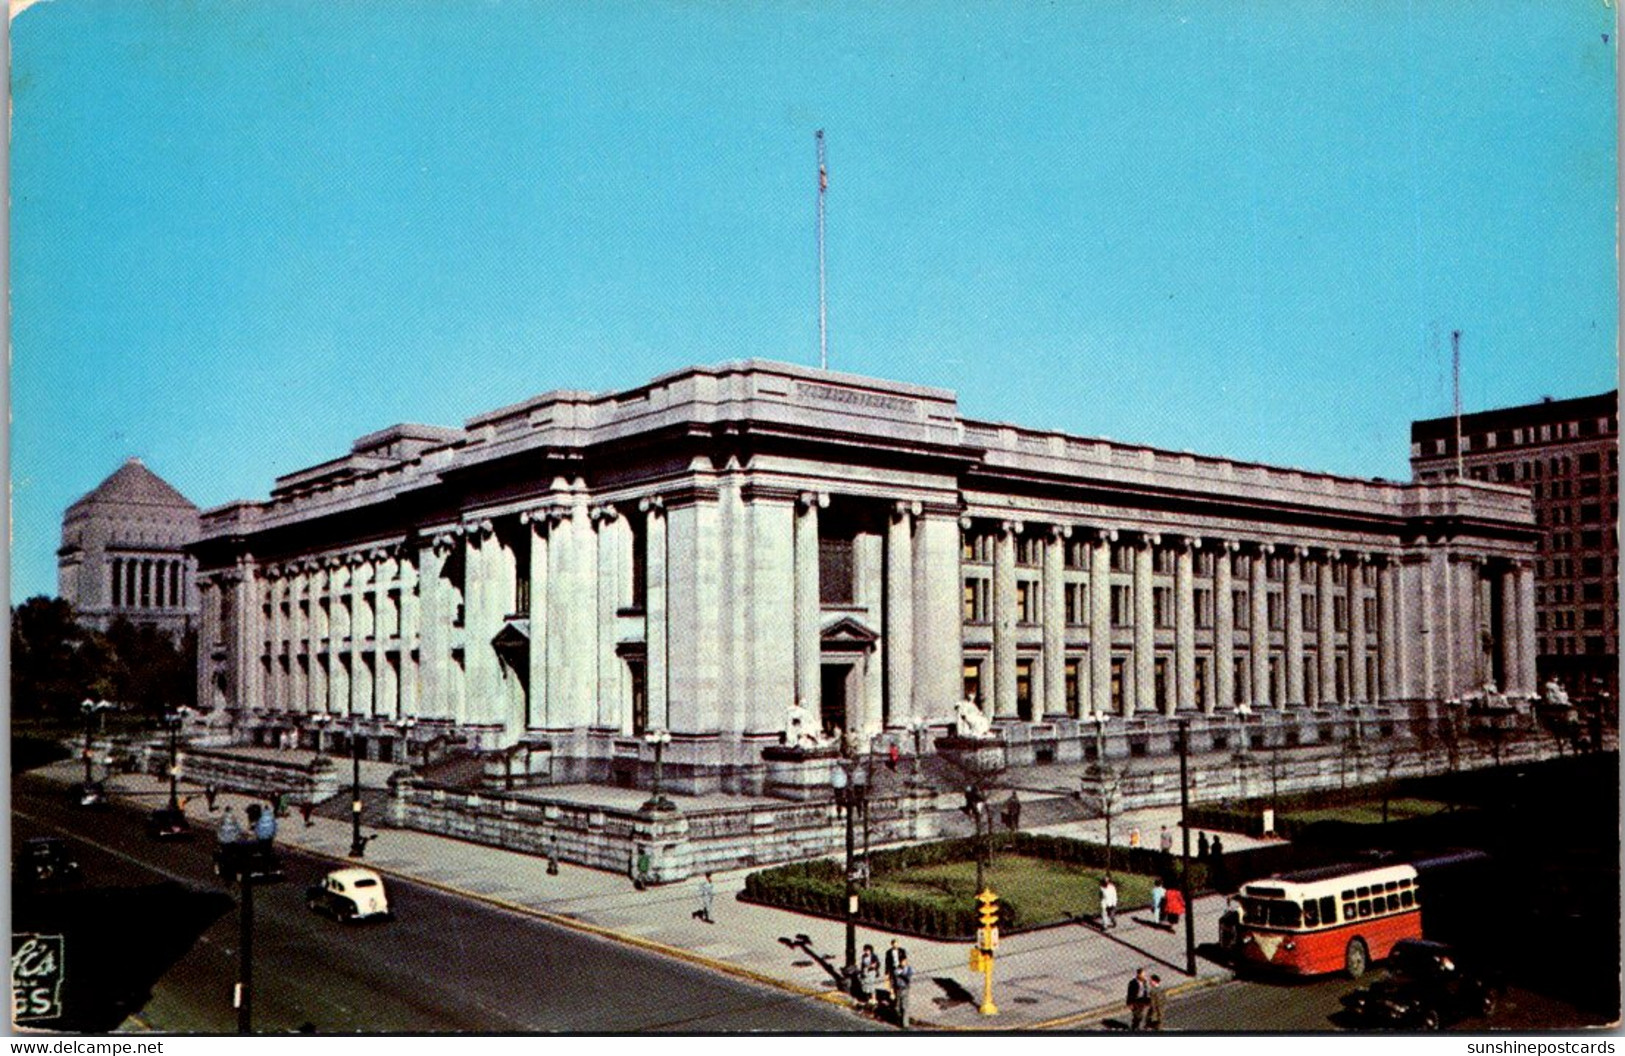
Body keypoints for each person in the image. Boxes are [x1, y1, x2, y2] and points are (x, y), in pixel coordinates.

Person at [892, 952, 914, 1029]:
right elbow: (894, 979)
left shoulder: (909, 969)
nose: (903, 963)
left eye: (905, 961)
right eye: (902, 962)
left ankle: (905, 1024)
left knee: (905, 1006)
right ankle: (899, 1020)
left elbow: (909, 977)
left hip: (905, 989)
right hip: (898, 989)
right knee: (897, 1007)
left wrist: (902, 974)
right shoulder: (896, 969)